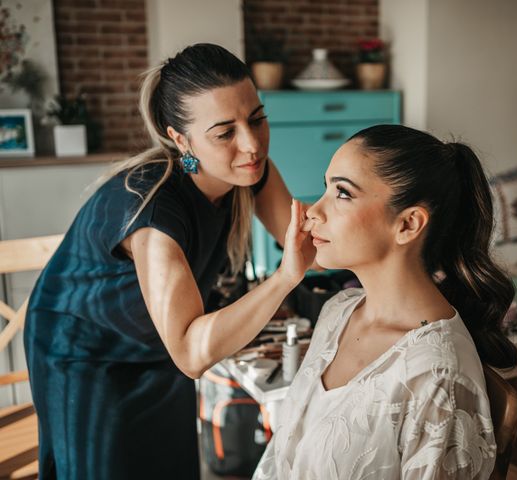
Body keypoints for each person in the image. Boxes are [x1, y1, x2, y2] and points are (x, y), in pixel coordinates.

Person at [24, 43, 314, 480]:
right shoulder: (153, 210)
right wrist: (286, 277)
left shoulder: (250, 171)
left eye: (256, 118)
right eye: (224, 132)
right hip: (88, 353)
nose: (251, 145)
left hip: (159, 342)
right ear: (180, 138)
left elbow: (312, 242)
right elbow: (192, 353)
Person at [253, 124, 517, 479]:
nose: (313, 212)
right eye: (325, 188)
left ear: (408, 224)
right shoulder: (339, 312)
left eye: (342, 193)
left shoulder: (437, 375)